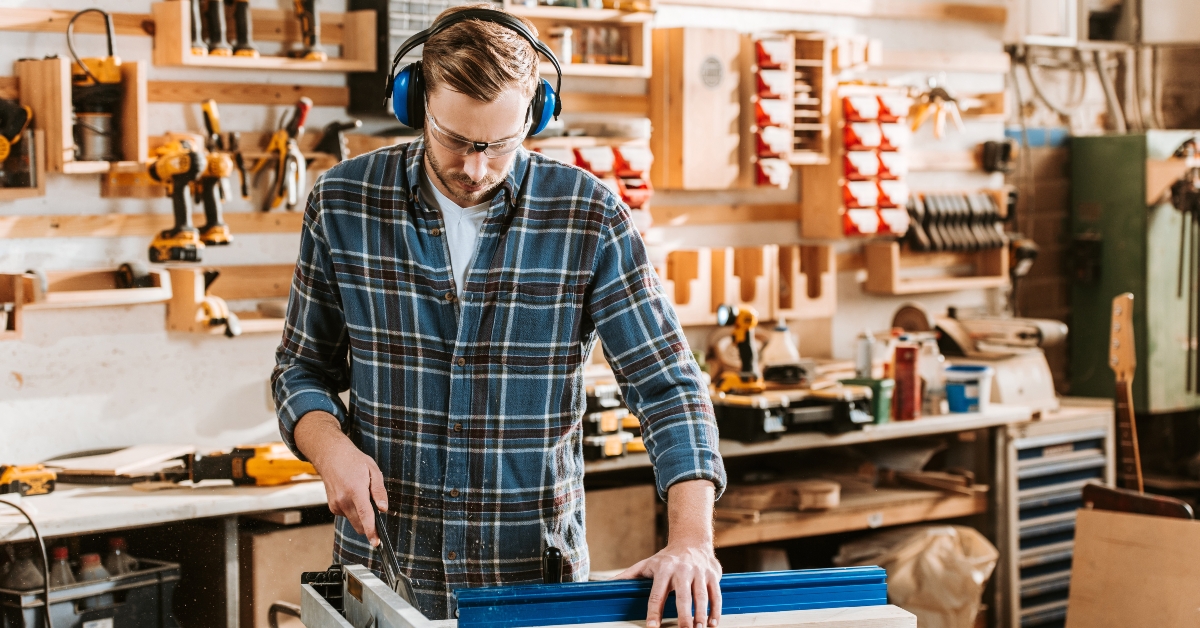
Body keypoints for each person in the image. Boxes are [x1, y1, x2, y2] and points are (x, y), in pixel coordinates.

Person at [272, 5, 726, 627]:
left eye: (499, 145)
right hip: (385, 581)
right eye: (455, 139)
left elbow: (669, 387)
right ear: (415, 102)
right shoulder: (343, 202)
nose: (475, 168)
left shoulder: (587, 217)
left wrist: (692, 539)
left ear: (534, 116)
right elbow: (300, 369)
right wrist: (331, 450)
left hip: (533, 589)